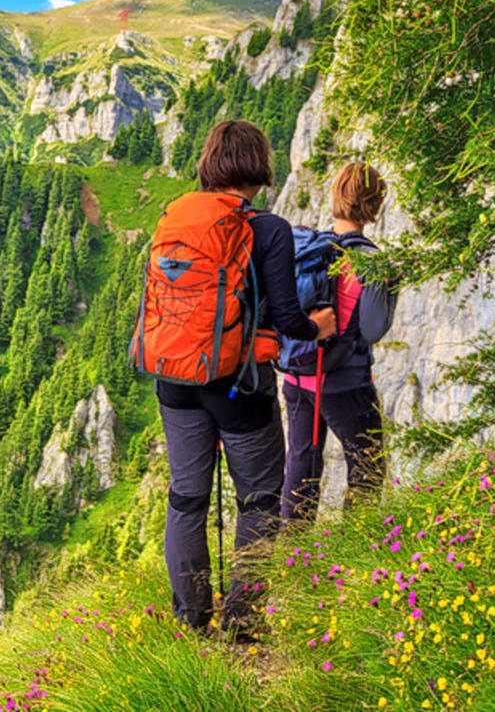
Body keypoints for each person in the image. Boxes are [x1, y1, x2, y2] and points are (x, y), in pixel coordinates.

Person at [154, 120, 336, 640]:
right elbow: (287, 317)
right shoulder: (269, 229)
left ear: (211, 161)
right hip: (239, 383)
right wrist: (318, 326)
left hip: (175, 378)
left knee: (186, 497)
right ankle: (243, 619)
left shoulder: (178, 216)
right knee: (257, 499)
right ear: (258, 165)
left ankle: (191, 618)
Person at [281, 162, 399, 522]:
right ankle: (353, 556)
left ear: (336, 196)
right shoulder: (372, 261)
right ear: (375, 205)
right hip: (344, 381)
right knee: (367, 468)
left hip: (298, 375)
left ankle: (292, 559)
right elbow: (373, 330)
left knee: (301, 468)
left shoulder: (309, 247)